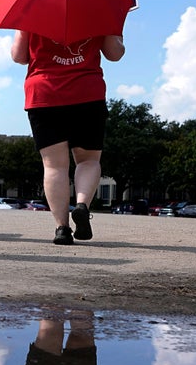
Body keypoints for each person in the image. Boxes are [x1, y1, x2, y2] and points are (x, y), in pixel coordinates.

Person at [11, 31, 125, 245]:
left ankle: (62, 228)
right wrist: (116, 33)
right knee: (88, 160)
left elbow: (19, 56)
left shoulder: (31, 7)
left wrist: (22, 29)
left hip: (44, 94)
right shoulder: (102, 7)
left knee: (55, 166)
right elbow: (114, 53)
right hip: (87, 94)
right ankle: (81, 205)